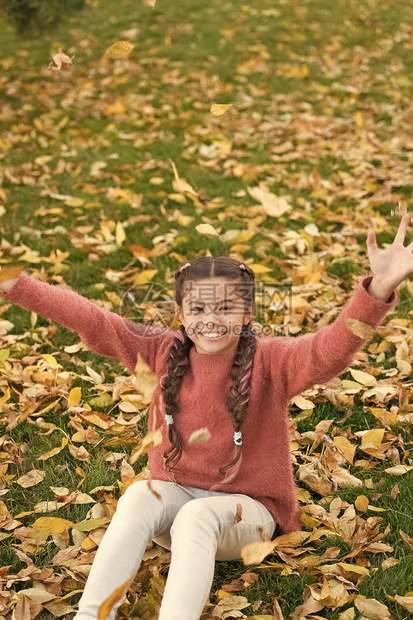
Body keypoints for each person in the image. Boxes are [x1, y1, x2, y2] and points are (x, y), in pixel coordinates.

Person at [1, 213, 410, 620]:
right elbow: (90, 318)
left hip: (249, 514)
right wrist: (14, 281)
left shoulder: (272, 361)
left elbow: (328, 350)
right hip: (175, 503)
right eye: (198, 307)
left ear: (247, 313)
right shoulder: (159, 350)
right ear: (181, 311)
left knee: (198, 516)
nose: (211, 318)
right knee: (139, 496)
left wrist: (376, 291)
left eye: (226, 307)